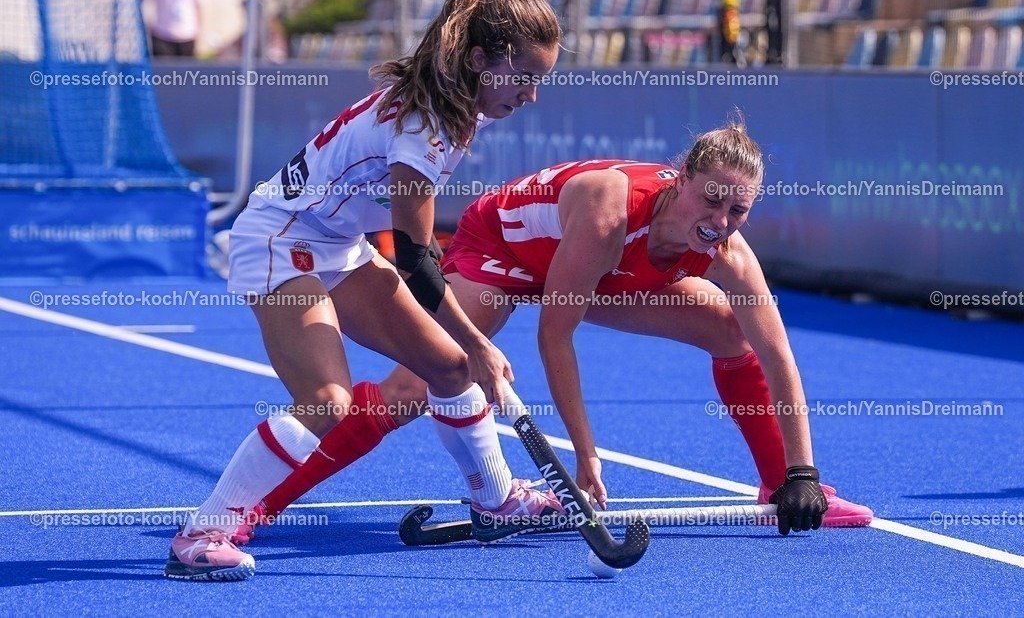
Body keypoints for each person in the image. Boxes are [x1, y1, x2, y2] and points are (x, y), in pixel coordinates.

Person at [235, 117, 873, 544]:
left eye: (738, 210)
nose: (720, 220)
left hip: (596, 274)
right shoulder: (607, 211)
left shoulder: (729, 252)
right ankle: (260, 504)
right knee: (412, 390)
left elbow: (777, 350)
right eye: (711, 201)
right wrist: (585, 458)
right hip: (505, 253)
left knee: (733, 329)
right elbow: (554, 336)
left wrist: (802, 474)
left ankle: (770, 480)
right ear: (680, 181)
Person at [164, 0, 562, 581]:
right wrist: (480, 341)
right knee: (327, 400)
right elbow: (416, 257)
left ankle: (497, 499)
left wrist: (467, 353)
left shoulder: (452, 103)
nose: (532, 95)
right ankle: (205, 532)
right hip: (282, 237)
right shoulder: (428, 126)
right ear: (480, 61)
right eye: (526, 77)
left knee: (449, 370)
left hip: (336, 242)